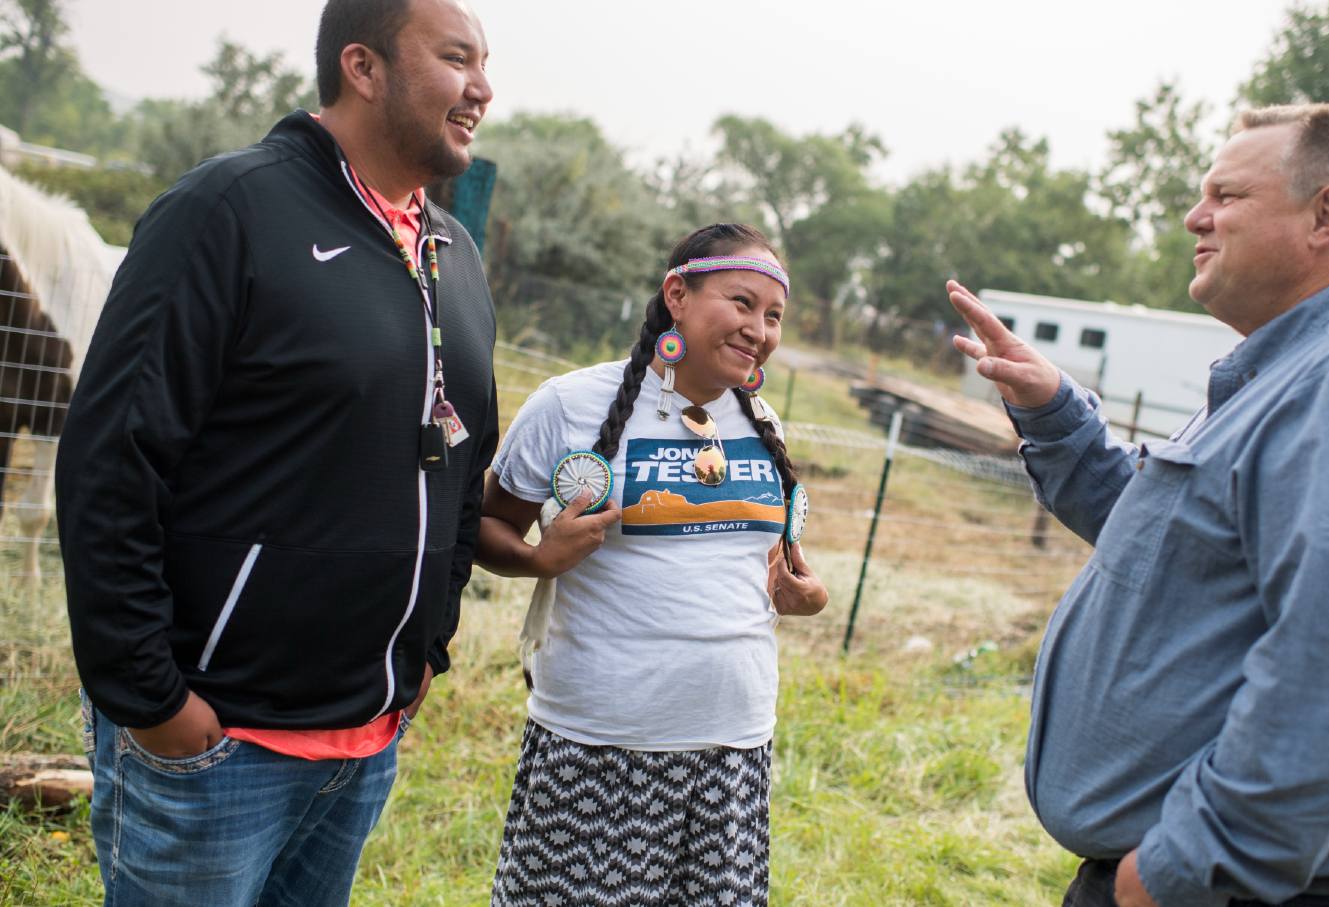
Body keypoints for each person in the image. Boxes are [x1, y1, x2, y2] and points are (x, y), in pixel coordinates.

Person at [54, 0, 498, 903]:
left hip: (366, 744)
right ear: (363, 67)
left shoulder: (456, 254)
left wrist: (425, 654)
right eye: (456, 59)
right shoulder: (226, 210)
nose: (482, 88)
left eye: (485, 64)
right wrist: (154, 702)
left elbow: (459, 467)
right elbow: (111, 463)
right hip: (218, 746)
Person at [948, 104, 1329, 906]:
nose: (1194, 216)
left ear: (1325, 216)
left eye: (1227, 195)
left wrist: (1178, 870)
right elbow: (1169, 548)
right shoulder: (1285, 372)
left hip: (1243, 886)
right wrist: (1054, 411)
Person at [477, 223, 829, 905]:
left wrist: (806, 596)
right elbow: (487, 524)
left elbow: (768, 566)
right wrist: (535, 557)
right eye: (741, 302)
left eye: (774, 315)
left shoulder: (763, 423)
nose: (759, 328)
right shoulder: (569, 405)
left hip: (734, 745)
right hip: (602, 742)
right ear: (677, 294)